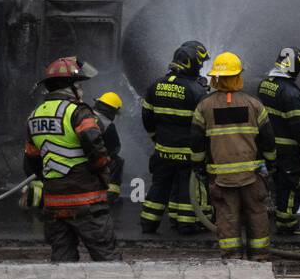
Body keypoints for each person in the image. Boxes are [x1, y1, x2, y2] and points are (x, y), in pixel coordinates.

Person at [23, 56, 118, 262]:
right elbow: (96, 149)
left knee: (62, 259)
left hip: (54, 204)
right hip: (86, 200)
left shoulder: (34, 116)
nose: (82, 91)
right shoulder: (78, 112)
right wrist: (103, 173)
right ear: (70, 87)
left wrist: (49, 181)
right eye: (79, 86)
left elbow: (31, 161)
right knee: (107, 258)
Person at [191, 52, 277, 261]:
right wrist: (271, 164)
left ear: (215, 78)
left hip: (221, 178)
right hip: (253, 176)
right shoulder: (254, 104)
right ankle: (259, 258)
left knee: (227, 218)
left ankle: (232, 260)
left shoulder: (204, 106)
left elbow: (196, 141)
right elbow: (268, 139)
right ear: (238, 76)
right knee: (257, 215)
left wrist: (199, 168)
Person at [140, 40, 209, 234]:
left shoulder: (155, 86)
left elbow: (147, 117)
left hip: (162, 149)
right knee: (186, 188)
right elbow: (202, 126)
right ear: (192, 63)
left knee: (159, 185)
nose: (202, 67)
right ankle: (185, 224)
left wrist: (156, 138)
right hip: (187, 152)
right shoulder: (197, 91)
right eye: (200, 63)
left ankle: (148, 222)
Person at [257, 46, 300, 235]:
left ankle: (278, 213)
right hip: (288, 149)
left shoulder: (265, 84)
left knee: (277, 181)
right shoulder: (290, 93)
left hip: (269, 146)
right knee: (290, 185)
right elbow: (298, 124)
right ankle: (286, 222)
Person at [93, 91, 125, 204]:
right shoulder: (107, 124)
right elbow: (115, 147)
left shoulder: (84, 115)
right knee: (117, 161)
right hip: (93, 161)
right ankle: (110, 195)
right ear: (112, 111)